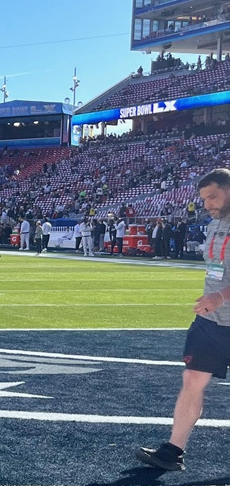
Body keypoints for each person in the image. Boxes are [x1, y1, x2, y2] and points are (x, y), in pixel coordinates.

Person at [137, 168, 230, 471]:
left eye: (213, 196)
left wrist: (220, 296)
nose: (207, 204)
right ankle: (173, 451)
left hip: (220, 309)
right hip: (211, 321)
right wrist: (213, 300)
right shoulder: (216, 222)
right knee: (191, 380)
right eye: (204, 199)